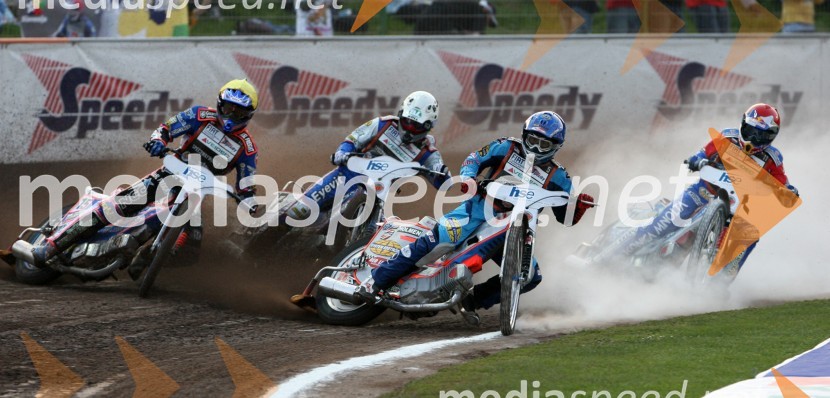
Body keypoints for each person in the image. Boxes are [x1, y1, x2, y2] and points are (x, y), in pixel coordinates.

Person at [358, 111, 595, 320]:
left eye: (545, 145)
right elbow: (475, 158)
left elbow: (565, 217)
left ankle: (472, 301)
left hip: (512, 232)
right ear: (524, 135)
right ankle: (377, 281)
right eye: (533, 140)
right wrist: (469, 177)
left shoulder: (559, 176)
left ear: (555, 147)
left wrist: (579, 207)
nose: (536, 148)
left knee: (531, 276)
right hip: (476, 210)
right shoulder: (506, 147)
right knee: (437, 239)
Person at [27, 79, 261, 278]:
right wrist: (158, 142)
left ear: (248, 115)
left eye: (239, 112)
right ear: (220, 105)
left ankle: (148, 259)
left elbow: (246, 183)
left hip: (198, 192)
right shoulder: (200, 115)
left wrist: (248, 200)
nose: (232, 116)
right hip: (170, 173)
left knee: (193, 244)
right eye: (229, 109)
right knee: (116, 207)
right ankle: (49, 248)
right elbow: (166, 128)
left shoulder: (247, 148)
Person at [592, 103, 798, 270]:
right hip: (701, 193)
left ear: (771, 136)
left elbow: (782, 183)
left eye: (761, 135)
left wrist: (788, 192)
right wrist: (695, 161)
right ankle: (604, 259)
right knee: (658, 226)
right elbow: (700, 154)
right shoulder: (726, 137)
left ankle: (719, 283)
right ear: (743, 124)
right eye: (751, 131)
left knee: (749, 236)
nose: (753, 139)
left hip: (740, 209)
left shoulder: (773, 157)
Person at [246, 91, 450, 246]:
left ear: (428, 126)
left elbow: (440, 178)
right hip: (346, 175)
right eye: (407, 122)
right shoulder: (382, 125)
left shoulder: (428, 153)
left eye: (417, 126)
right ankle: (257, 247)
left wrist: (444, 175)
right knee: (300, 210)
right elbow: (352, 140)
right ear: (401, 115)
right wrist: (342, 153)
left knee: (371, 239)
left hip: (381, 193)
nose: (409, 129)